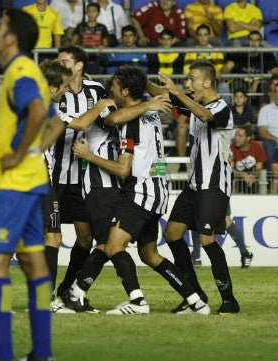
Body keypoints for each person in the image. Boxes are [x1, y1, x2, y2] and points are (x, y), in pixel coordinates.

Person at [63, 65, 211, 315]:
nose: (109, 90)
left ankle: (136, 301)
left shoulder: (132, 119)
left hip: (142, 191)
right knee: (150, 254)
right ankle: (197, 302)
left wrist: (88, 155)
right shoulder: (150, 113)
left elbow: (121, 164)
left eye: (114, 87)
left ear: (126, 90)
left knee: (112, 246)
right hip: (158, 190)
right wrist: (147, 102)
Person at [0, 9, 54, 361]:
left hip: (15, 184)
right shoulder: (30, 70)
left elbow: (39, 112)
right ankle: (42, 353)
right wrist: (34, 151)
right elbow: (54, 125)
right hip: (32, 182)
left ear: (11, 38)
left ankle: (4, 355)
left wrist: (18, 153)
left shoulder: (19, 73)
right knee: (34, 266)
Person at [160, 60, 240, 314]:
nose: (188, 82)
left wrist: (177, 92)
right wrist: (145, 83)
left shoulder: (221, 108)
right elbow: (168, 99)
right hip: (195, 186)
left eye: (192, 78)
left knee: (206, 239)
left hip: (214, 186)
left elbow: (205, 116)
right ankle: (195, 293)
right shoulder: (197, 106)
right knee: (172, 233)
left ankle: (229, 299)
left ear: (207, 81)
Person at [49, 44, 106, 312]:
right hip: (54, 178)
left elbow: (111, 119)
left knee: (86, 238)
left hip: (82, 179)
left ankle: (68, 289)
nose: (61, 64)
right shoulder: (54, 95)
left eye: (65, 60)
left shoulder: (96, 91)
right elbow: (81, 124)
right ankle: (44, 294)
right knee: (47, 237)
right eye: (58, 60)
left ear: (80, 65)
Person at [219, 31, 278, 97]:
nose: (254, 43)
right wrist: (220, 73)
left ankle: (263, 105)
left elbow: (275, 72)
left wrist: (257, 82)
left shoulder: (267, 55)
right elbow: (227, 67)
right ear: (247, 41)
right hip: (242, 82)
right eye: (251, 40)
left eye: (257, 40)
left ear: (261, 42)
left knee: (266, 86)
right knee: (236, 84)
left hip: (260, 82)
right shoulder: (240, 53)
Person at [72, 2, 109, 74]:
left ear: (98, 13)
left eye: (94, 11)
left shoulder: (102, 27)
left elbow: (106, 44)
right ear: (86, 13)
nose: (91, 14)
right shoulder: (80, 26)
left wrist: (102, 46)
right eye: (89, 11)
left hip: (97, 59)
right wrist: (77, 47)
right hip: (83, 58)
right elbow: (73, 42)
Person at [231, 123, 265, 194]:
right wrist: (243, 175)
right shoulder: (231, 147)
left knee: (261, 177)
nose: (236, 138)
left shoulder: (257, 146)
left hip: (252, 176)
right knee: (233, 180)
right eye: (235, 135)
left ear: (248, 138)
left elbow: (259, 168)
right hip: (238, 177)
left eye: (240, 136)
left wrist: (253, 176)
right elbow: (231, 169)